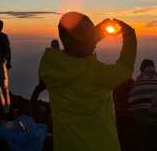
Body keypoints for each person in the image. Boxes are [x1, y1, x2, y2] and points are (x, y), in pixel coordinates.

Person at [39, 11, 137, 151]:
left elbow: (76, 45)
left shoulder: (49, 64)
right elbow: (125, 69)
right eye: (91, 36)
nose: (94, 43)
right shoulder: (96, 73)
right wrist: (129, 34)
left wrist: (95, 32)